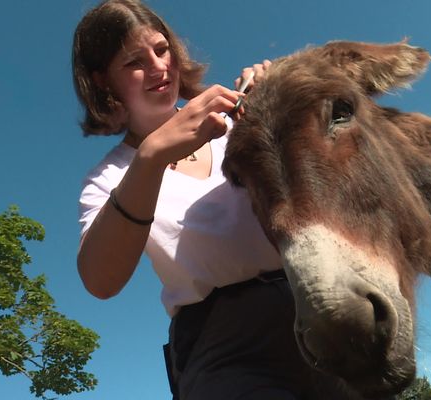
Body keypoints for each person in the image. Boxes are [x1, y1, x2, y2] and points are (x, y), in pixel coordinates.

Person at [72, 1, 335, 399]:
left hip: (317, 300)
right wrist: (151, 156)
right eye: (133, 62)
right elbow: (100, 281)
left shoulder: (236, 122)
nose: (160, 68)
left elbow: (324, 194)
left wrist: (278, 107)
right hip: (224, 345)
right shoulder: (108, 178)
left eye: (162, 50)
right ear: (103, 81)